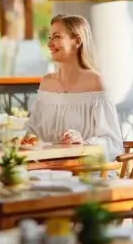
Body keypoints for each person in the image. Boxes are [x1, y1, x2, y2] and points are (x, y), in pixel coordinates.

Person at [25, 14, 124, 162]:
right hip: (45, 171)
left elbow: (114, 143)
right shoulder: (46, 83)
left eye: (56, 36)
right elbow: (32, 132)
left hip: (86, 173)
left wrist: (83, 144)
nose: (49, 44)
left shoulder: (95, 83)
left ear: (77, 41)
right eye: (50, 37)